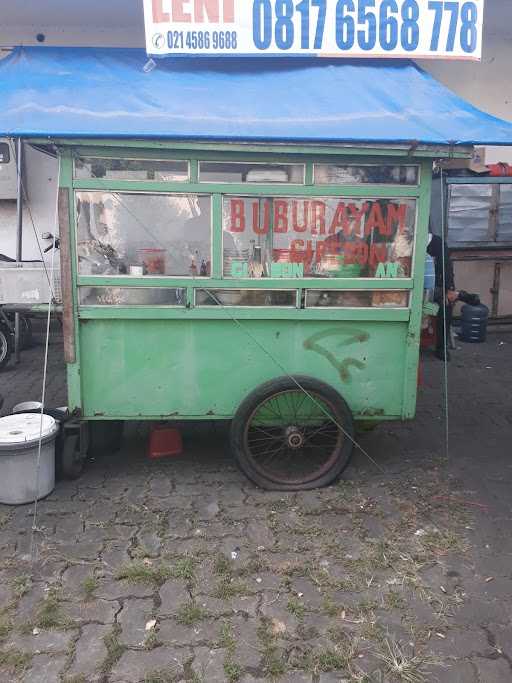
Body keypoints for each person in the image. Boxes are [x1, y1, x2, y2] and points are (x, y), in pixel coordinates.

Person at [427, 231, 480, 361]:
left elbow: (447, 268)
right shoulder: (405, 241)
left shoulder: (437, 243)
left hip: (434, 289)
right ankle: (461, 295)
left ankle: (441, 347)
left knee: (445, 304)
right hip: (417, 287)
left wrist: (449, 289)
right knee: (444, 297)